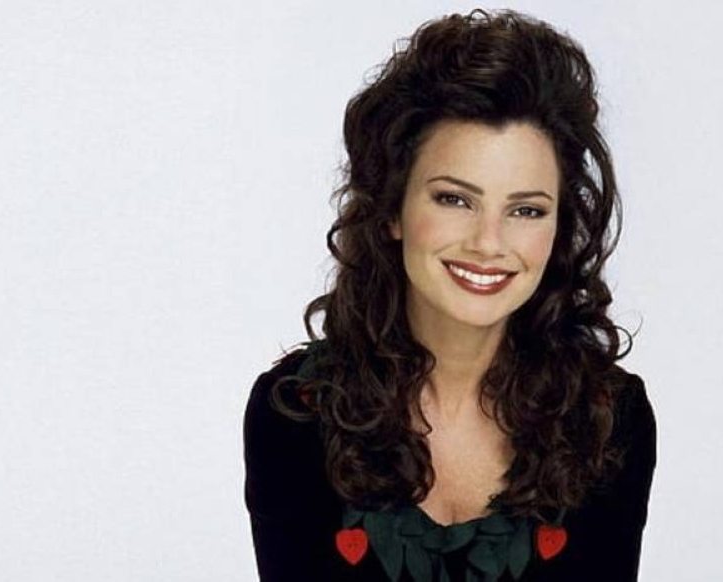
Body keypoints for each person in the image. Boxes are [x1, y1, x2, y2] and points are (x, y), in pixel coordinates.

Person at [243, 8, 657, 582]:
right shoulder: (293, 413)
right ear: (392, 208)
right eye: (455, 199)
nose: (488, 242)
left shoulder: (609, 418)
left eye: (526, 210)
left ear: (559, 229)